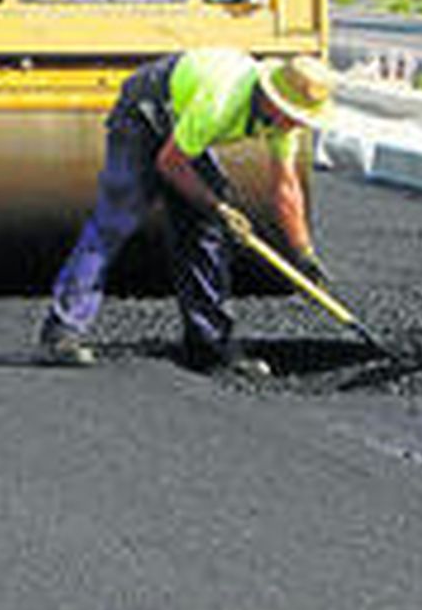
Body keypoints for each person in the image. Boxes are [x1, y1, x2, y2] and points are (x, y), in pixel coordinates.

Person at [38, 50, 334, 376]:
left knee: (205, 231)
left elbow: (286, 187)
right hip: (144, 112)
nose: (297, 123)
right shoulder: (221, 103)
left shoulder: (283, 125)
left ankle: (209, 344)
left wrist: (303, 253)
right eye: (293, 114)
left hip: (182, 120)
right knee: (116, 218)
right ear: (273, 100)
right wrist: (216, 206)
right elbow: (170, 163)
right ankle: (62, 330)